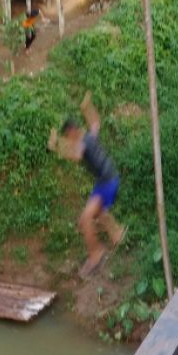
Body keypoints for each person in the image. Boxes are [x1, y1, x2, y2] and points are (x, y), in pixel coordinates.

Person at [48, 92, 126, 277]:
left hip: (106, 184)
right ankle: (118, 234)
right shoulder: (89, 134)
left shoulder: (82, 142)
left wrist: (56, 145)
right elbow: (96, 123)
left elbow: (75, 155)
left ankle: (96, 254)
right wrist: (87, 107)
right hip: (107, 180)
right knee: (97, 212)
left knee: (85, 219)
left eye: (68, 136)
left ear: (72, 132)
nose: (70, 139)